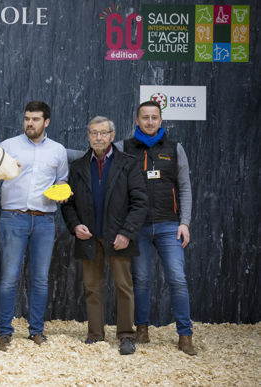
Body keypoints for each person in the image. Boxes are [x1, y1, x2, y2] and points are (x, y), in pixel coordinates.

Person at [114, 100, 197, 355]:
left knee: (178, 279)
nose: (150, 121)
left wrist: (184, 222)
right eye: (145, 117)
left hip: (169, 226)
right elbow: (96, 158)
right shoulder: (123, 148)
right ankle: (142, 329)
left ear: (161, 121)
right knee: (141, 281)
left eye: (154, 117)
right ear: (136, 121)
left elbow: (184, 187)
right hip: (136, 228)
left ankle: (185, 335)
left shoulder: (175, 149)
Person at [61, 116, 147, 355]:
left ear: (112, 135)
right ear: (88, 136)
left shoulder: (128, 164)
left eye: (103, 133)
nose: (98, 137)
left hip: (118, 237)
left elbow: (140, 203)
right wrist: (75, 226)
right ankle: (95, 334)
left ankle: (126, 335)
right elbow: (67, 204)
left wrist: (127, 233)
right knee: (92, 287)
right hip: (89, 238)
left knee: (123, 286)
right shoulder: (77, 167)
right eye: (93, 133)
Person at [0, 101, 68, 351]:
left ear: (46, 122)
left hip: (45, 220)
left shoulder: (58, 151)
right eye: (27, 118)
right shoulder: (7, 146)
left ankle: (36, 331)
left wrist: (62, 193)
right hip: (13, 218)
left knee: (39, 279)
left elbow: (63, 181)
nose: (30, 123)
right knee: (8, 278)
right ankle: (4, 334)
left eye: (36, 119)